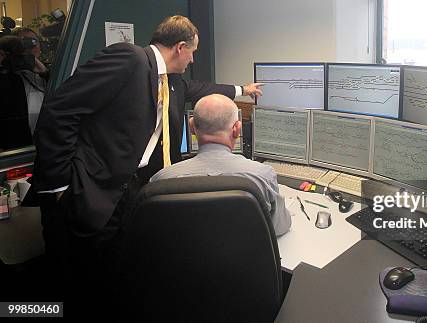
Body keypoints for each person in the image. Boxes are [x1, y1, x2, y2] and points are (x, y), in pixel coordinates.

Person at [32, 15, 263, 309]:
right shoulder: (129, 59)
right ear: (180, 47)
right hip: (87, 190)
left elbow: (200, 89)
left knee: (111, 277)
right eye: (193, 52)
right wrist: (59, 186)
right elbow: (59, 111)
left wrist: (243, 90)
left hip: (127, 191)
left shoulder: (170, 82)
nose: (193, 60)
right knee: (77, 281)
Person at [151, 94, 291, 236]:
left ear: (192, 126)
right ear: (237, 129)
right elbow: (279, 227)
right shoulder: (263, 176)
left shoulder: (161, 180)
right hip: (245, 256)